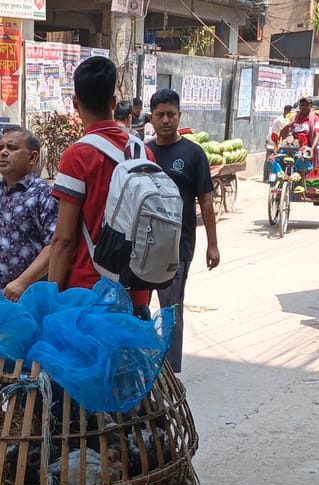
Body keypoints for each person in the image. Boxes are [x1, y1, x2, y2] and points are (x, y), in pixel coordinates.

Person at [48, 56, 155, 317]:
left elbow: (63, 240)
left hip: (87, 297)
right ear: (113, 103)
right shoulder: (142, 153)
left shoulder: (78, 156)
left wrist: (50, 301)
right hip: (136, 294)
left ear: (75, 104)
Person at [146, 88, 220, 373]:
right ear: (151, 117)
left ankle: (171, 371)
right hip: (143, 244)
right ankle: (144, 366)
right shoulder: (144, 151)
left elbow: (206, 201)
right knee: (139, 308)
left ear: (179, 116)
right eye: (160, 115)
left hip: (178, 245)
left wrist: (212, 245)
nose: (165, 120)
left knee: (171, 309)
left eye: (171, 114)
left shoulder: (193, 154)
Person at [0, 125, 58, 301]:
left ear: (32, 158)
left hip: (28, 298)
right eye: (1, 147)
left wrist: (23, 282)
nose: (3, 152)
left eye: (12, 148)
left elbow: (54, 246)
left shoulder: (44, 194)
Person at [280, 95, 319, 169]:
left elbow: (317, 135)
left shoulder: (316, 119)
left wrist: (312, 148)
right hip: (292, 147)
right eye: (302, 105)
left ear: (310, 106)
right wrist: (289, 125)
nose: (304, 107)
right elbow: (282, 133)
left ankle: (302, 178)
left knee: (301, 161)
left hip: (307, 147)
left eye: (306, 105)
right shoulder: (293, 118)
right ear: (299, 106)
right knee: (275, 159)